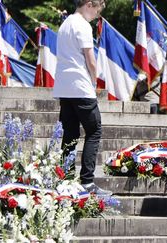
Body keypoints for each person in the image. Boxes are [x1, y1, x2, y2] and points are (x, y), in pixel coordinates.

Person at [53, 0, 111, 196]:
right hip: (80, 86)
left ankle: (66, 180)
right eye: (97, 10)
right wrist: (94, 82)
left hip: (64, 87)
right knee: (94, 131)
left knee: (70, 135)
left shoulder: (65, 24)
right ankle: (87, 181)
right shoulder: (83, 25)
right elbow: (90, 59)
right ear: (89, 4)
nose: (96, 15)